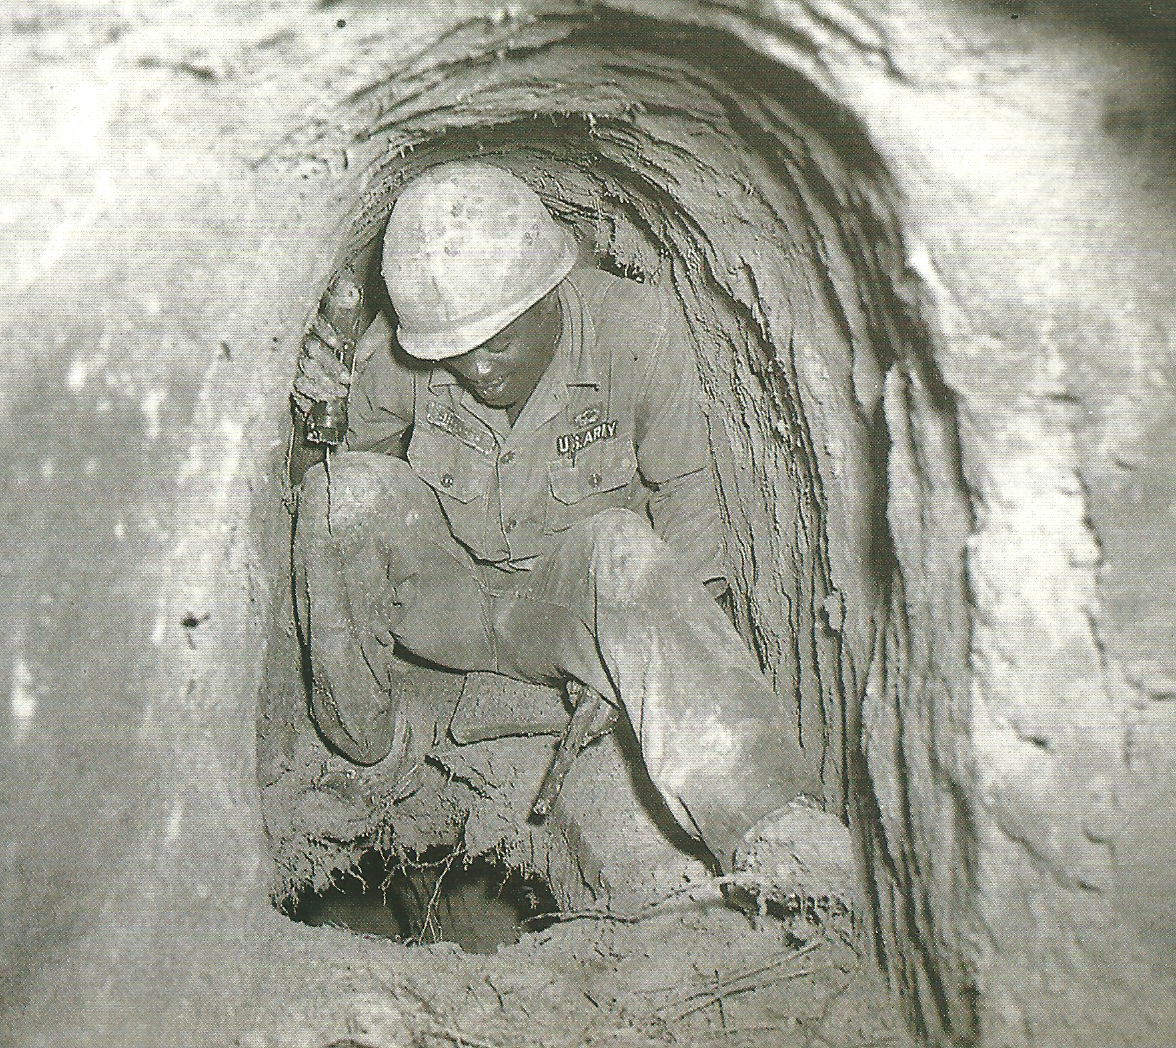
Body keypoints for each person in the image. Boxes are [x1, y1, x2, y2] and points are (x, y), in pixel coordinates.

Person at [290, 161, 856, 910]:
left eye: (497, 342)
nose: (478, 370)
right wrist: (314, 413)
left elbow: (689, 512)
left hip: (556, 612)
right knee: (346, 492)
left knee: (619, 544)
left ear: (548, 289)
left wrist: (634, 673)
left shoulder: (636, 330)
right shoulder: (408, 351)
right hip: (450, 600)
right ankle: (372, 750)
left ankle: (775, 832)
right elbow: (320, 478)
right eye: (454, 354)